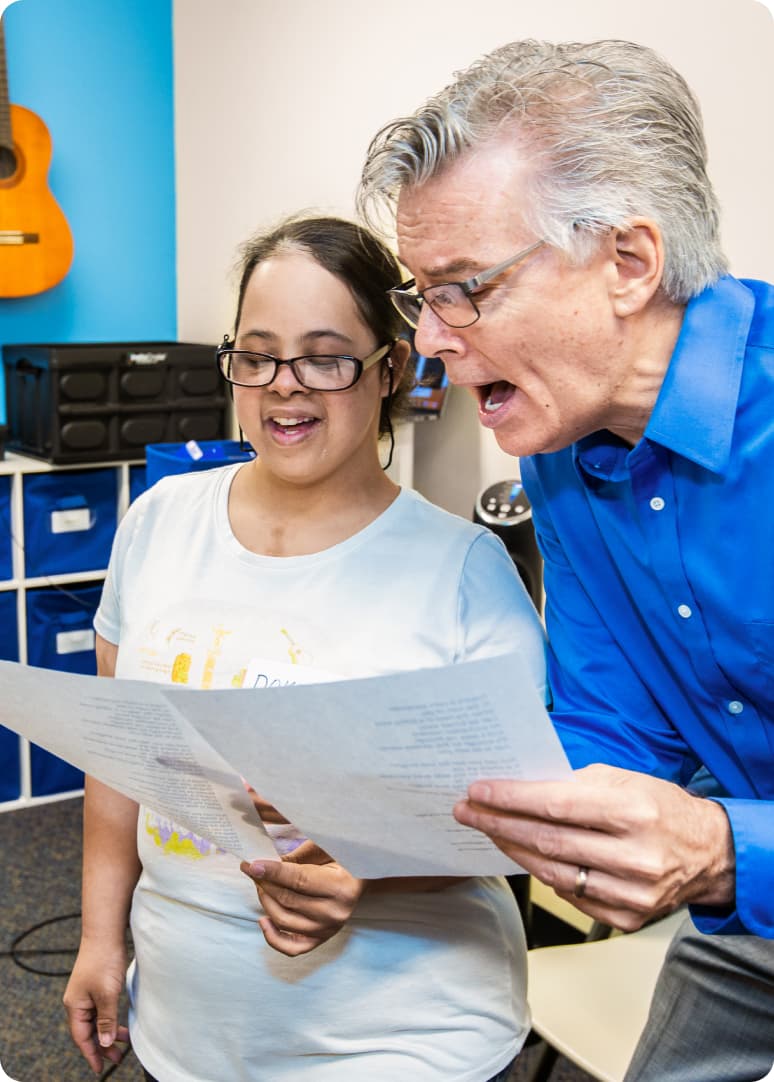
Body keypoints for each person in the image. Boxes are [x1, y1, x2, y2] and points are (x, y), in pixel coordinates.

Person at [358, 38, 774, 1082]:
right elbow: (611, 735)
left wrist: (728, 850)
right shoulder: (561, 463)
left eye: (464, 289)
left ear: (628, 262)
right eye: (422, 296)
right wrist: (368, 806)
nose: (433, 344)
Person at [63, 214, 547, 1082]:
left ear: (390, 368)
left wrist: (370, 868)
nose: (285, 387)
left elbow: (524, 824)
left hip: (403, 1044)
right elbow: (118, 763)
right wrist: (101, 939)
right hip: (187, 1036)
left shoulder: (463, 570)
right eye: (257, 355)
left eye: (326, 357)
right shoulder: (160, 523)